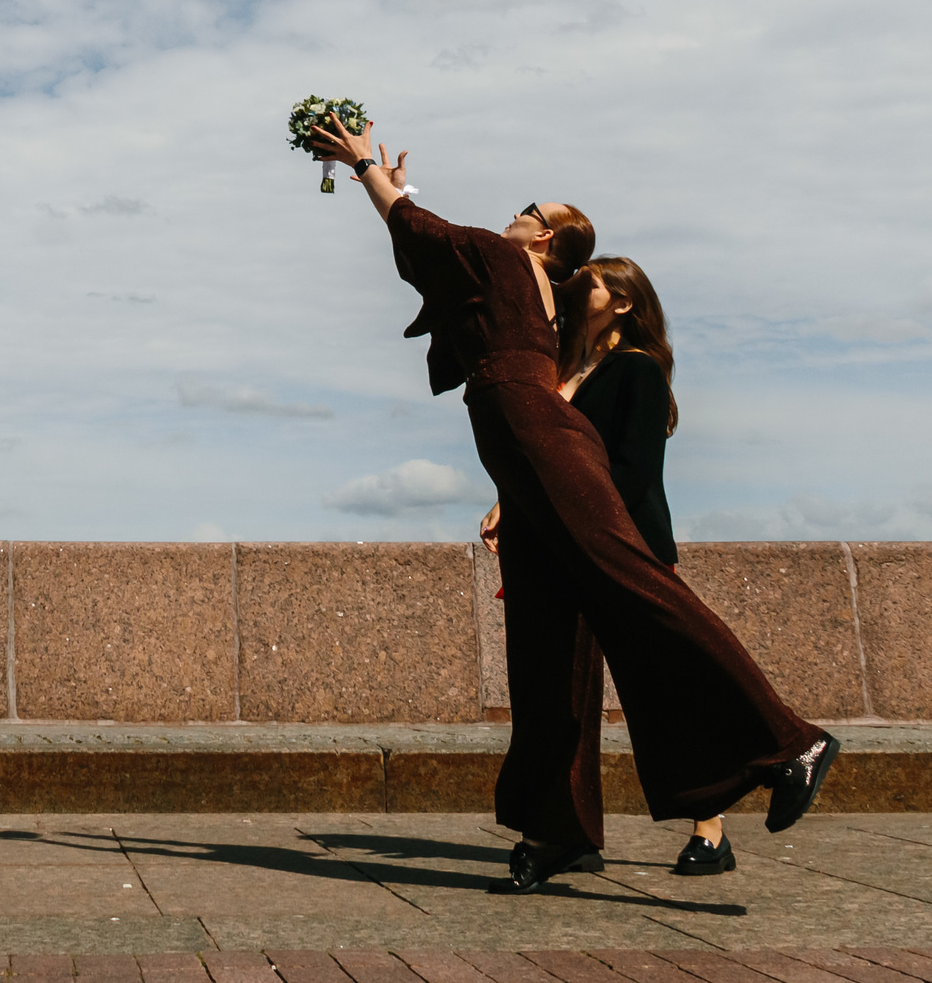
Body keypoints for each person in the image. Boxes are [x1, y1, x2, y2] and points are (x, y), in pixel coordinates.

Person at [304, 115, 836, 894]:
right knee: (547, 644)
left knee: (636, 580)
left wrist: (364, 169)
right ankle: (560, 830)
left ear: (545, 239)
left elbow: (420, 230)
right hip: (520, 447)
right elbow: (431, 263)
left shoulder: (503, 257)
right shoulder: (536, 297)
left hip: (529, 427)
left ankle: (791, 743)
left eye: (532, 209)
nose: (516, 212)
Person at [479, 255, 735, 876]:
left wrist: (570, 516)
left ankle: (712, 827)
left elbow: (633, 471)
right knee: (560, 695)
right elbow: (551, 457)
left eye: (590, 283)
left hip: (625, 547)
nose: (577, 288)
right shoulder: (565, 367)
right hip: (561, 550)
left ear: (622, 303)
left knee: (661, 689)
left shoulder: (637, 372)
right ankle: (567, 831)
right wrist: (509, 502)